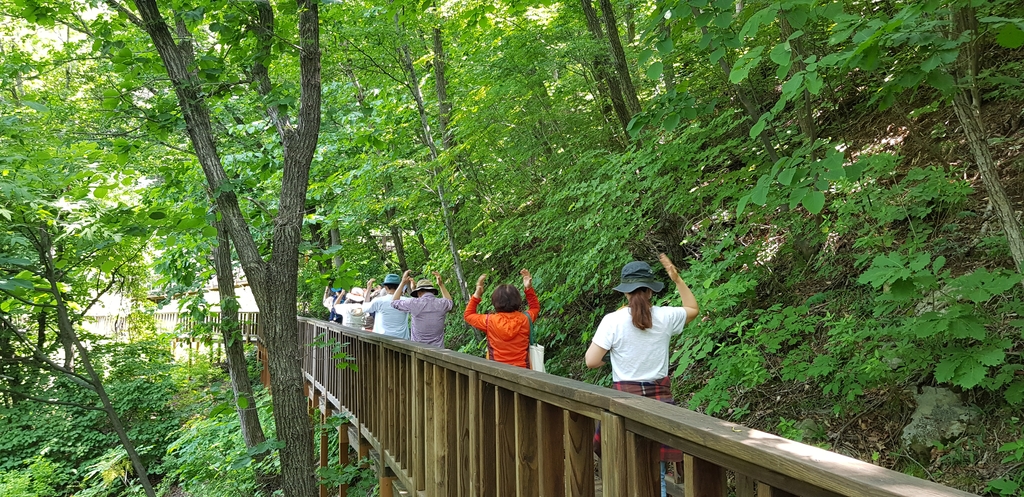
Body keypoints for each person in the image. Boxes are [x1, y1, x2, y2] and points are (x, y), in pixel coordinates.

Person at [586, 253, 699, 475]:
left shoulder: (612, 321)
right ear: (650, 290)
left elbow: (591, 361)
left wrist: (610, 360)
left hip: (625, 402)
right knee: (656, 468)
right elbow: (693, 309)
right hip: (660, 403)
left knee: (627, 462)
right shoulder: (666, 317)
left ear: (625, 292)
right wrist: (677, 279)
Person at [464, 269, 539, 368]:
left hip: (496, 372)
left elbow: (468, 315)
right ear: (518, 300)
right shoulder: (525, 319)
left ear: (495, 301)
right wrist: (528, 288)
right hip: (523, 372)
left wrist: (477, 294)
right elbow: (535, 308)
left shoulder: (489, 321)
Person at [391, 270, 453, 348]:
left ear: (419, 293)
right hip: (438, 352)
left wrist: (403, 282)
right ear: (433, 292)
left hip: (418, 351)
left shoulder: (414, 303)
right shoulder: (441, 304)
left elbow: (394, 302)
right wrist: (441, 285)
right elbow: (450, 302)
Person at [362, 274, 411, 339]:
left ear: (385, 287)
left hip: (382, 339)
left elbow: (364, 308)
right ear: (399, 286)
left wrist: (369, 289)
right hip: (402, 340)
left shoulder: (379, 301)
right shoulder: (406, 301)